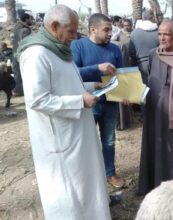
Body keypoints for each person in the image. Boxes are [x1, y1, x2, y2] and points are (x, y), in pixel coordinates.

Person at [17, 5, 110, 219]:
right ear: (55, 26)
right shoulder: (36, 54)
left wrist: (88, 88)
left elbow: (64, 84)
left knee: (84, 183)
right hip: (59, 139)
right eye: (71, 31)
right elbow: (37, 99)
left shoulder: (58, 49)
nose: (75, 37)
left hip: (76, 133)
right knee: (68, 192)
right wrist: (79, 101)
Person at [138, 19, 173, 196]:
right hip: (154, 106)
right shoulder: (153, 54)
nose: (162, 38)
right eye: (160, 34)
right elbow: (149, 78)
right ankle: (153, 181)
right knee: (155, 141)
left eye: (167, 34)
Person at [71, 13, 126, 188]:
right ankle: (87, 177)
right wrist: (97, 68)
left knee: (109, 140)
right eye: (106, 29)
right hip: (88, 104)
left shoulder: (115, 49)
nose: (111, 33)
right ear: (93, 29)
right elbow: (73, 73)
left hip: (110, 103)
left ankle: (110, 173)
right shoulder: (78, 46)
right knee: (85, 141)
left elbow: (123, 75)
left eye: (111, 29)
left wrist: (127, 94)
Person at [128, 9, 159, 84]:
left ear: (143, 19)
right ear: (153, 18)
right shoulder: (160, 32)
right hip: (158, 64)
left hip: (141, 66)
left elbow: (131, 53)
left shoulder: (134, 33)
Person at [12, 13, 32, 96]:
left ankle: (18, 90)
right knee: (24, 73)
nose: (31, 20)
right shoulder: (25, 30)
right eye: (30, 19)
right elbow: (27, 44)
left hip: (15, 54)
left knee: (17, 73)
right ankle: (21, 91)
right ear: (26, 19)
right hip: (22, 55)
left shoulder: (16, 28)